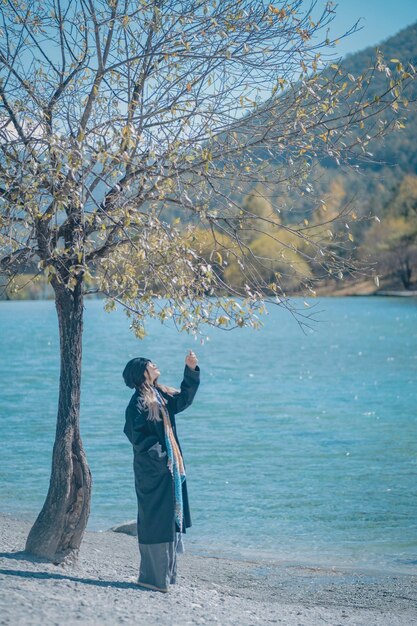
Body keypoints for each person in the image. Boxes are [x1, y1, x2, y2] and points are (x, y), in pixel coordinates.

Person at [122, 350, 200, 592]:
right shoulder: (137, 403)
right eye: (151, 364)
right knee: (155, 519)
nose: (156, 366)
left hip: (168, 471)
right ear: (143, 373)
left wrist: (190, 370)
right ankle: (152, 578)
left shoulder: (160, 396)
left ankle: (165, 577)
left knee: (169, 519)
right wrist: (162, 458)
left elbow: (184, 399)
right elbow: (136, 436)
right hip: (154, 472)